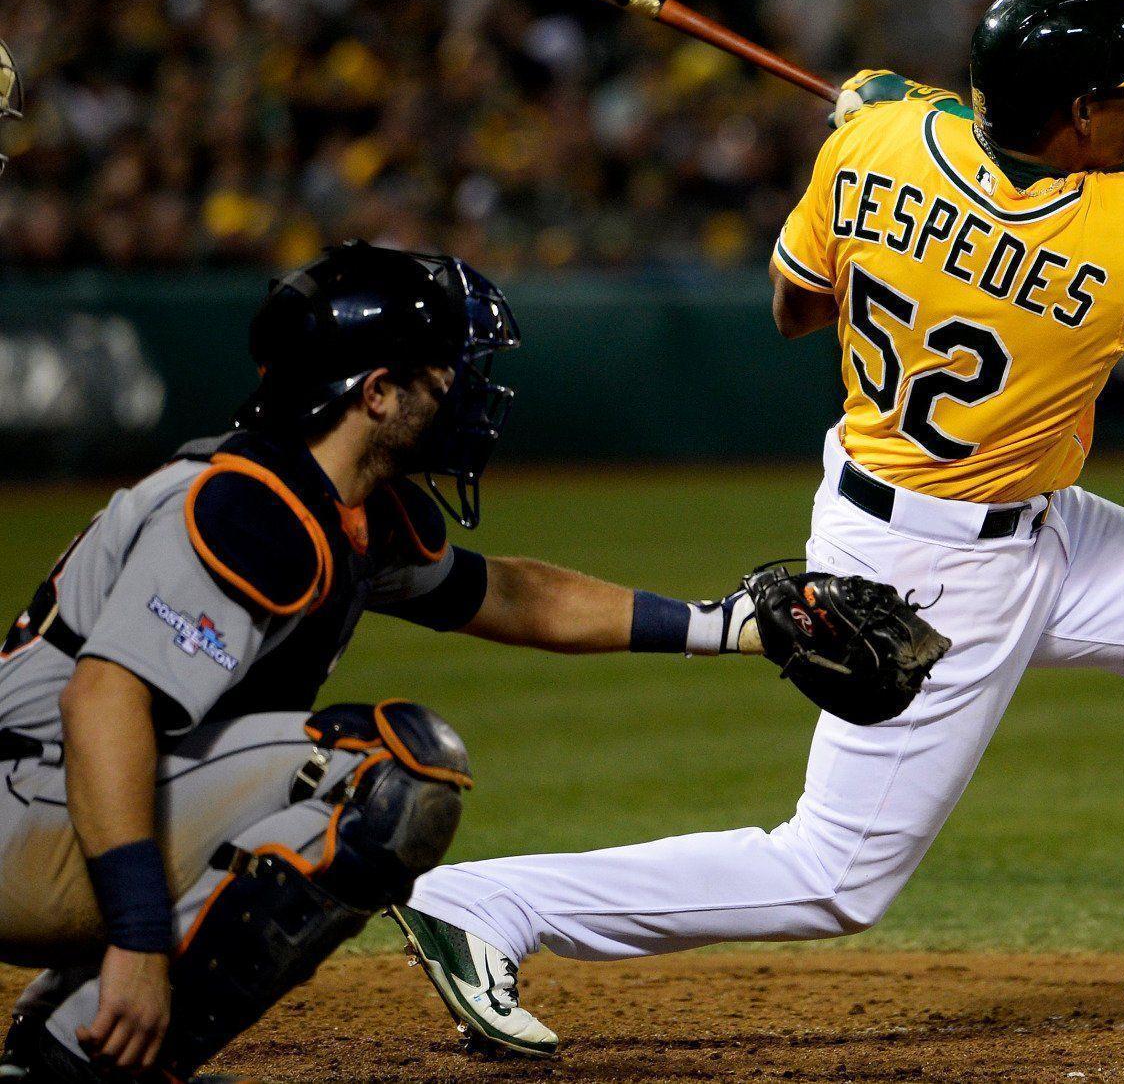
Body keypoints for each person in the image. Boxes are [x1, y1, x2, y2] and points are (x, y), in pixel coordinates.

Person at [394, 0, 1124, 1051]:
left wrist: (879, 134)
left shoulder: (878, 147)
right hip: (932, 572)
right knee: (832, 875)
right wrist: (904, 113)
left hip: (1002, 513)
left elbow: (792, 309)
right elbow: (987, 170)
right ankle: (489, 902)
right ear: (1075, 115)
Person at [0, 213, 926, 1080]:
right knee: (381, 779)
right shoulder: (248, 506)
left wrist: (727, 625)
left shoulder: (348, 507)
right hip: (28, 806)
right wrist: (137, 937)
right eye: (442, 372)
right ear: (376, 392)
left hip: (65, 800)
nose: (463, 392)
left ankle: (59, 1040)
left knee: (338, 775)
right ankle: (93, 1048)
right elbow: (102, 703)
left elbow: (514, 595)